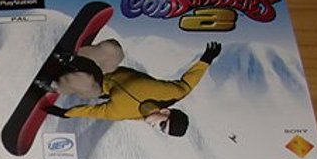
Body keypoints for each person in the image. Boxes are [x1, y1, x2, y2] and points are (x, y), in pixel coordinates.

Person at [46, 41, 222, 137]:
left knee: (87, 85)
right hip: (109, 69)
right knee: (114, 50)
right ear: (166, 112)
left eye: (161, 130)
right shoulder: (171, 93)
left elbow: (91, 111)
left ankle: (55, 83)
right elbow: (188, 84)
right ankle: (71, 57)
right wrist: (206, 60)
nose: (156, 128)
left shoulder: (122, 113)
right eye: (162, 125)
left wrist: (65, 113)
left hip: (100, 85)